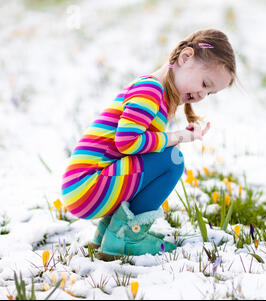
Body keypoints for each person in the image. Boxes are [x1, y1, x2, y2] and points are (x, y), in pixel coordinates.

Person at [61, 29, 236, 260]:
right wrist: (178, 136)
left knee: (165, 155)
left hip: (87, 187)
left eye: (209, 92)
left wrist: (179, 137)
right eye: (204, 83)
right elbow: (127, 142)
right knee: (172, 159)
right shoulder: (150, 90)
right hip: (86, 186)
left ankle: (108, 234)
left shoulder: (156, 93)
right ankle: (126, 237)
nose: (203, 94)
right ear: (185, 57)